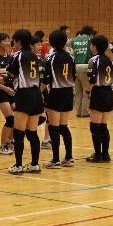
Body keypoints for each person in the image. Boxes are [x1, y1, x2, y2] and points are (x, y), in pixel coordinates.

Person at [0, 29, 43, 174]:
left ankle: (18, 165)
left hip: (24, 95)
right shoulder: (35, 56)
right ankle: (35, 164)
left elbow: (10, 75)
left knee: (19, 132)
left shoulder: (17, 56)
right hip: (37, 95)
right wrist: (0, 79)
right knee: (32, 132)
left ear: (18, 41)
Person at [42, 30, 76, 169]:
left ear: (51, 42)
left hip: (56, 93)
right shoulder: (70, 57)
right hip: (68, 93)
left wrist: (38, 93)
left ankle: (55, 160)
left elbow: (45, 80)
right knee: (64, 126)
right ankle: (69, 157)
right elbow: (74, 75)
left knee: (54, 127)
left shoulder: (50, 58)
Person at [85, 35, 113, 162]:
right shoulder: (110, 60)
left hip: (98, 93)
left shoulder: (93, 60)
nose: (90, 47)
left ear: (95, 47)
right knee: (103, 126)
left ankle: (97, 155)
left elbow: (92, 79)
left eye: (91, 45)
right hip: (108, 92)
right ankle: (105, 155)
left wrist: (87, 91)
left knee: (95, 127)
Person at [71, 26, 94, 117]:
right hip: (86, 66)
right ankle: (84, 111)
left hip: (76, 67)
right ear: (90, 33)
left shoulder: (74, 40)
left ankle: (78, 111)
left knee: (78, 91)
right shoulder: (91, 39)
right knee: (86, 90)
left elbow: (66, 44)